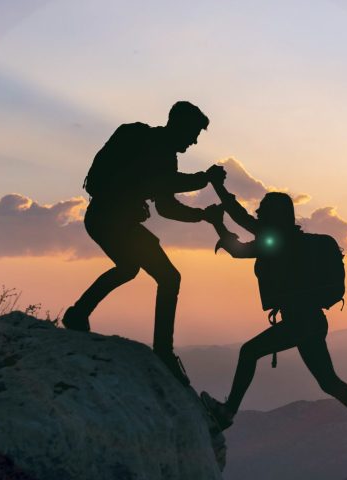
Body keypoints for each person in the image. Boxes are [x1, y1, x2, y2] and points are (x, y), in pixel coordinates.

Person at [198, 178, 347, 459]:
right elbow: (241, 236)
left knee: (249, 352)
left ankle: (226, 414)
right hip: (312, 321)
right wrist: (220, 217)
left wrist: (218, 204)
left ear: (274, 217)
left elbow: (239, 242)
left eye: (263, 212)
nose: (258, 216)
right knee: (328, 381)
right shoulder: (289, 241)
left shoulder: (276, 241)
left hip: (300, 322)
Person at [62, 101, 225, 385]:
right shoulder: (155, 147)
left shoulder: (158, 150)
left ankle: (78, 314)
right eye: (193, 133)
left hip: (107, 219)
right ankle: (163, 351)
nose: (195, 140)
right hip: (110, 220)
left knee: (129, 268)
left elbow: (166, 207)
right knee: (168, 277)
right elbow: (167, 183)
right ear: (179, 125)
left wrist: (202, 216)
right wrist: (205, 179)